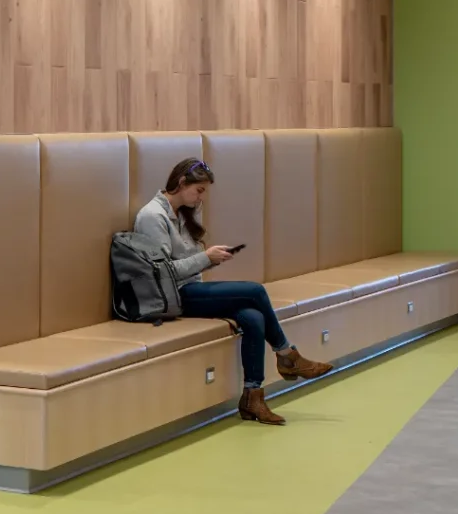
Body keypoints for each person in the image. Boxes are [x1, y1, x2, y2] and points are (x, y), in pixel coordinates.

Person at [132, 157, 330, 426]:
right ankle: (287, 356)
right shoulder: (152, 216)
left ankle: (253, 397)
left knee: (253, 317)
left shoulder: (183, 213)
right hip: (170, 297)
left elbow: (187, 263)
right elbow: (162, 273)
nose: (201, 197)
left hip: (190, 289)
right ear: (181, 183)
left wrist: (208, 254)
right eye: (199, 190)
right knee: (255, 291)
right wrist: (206, 257)